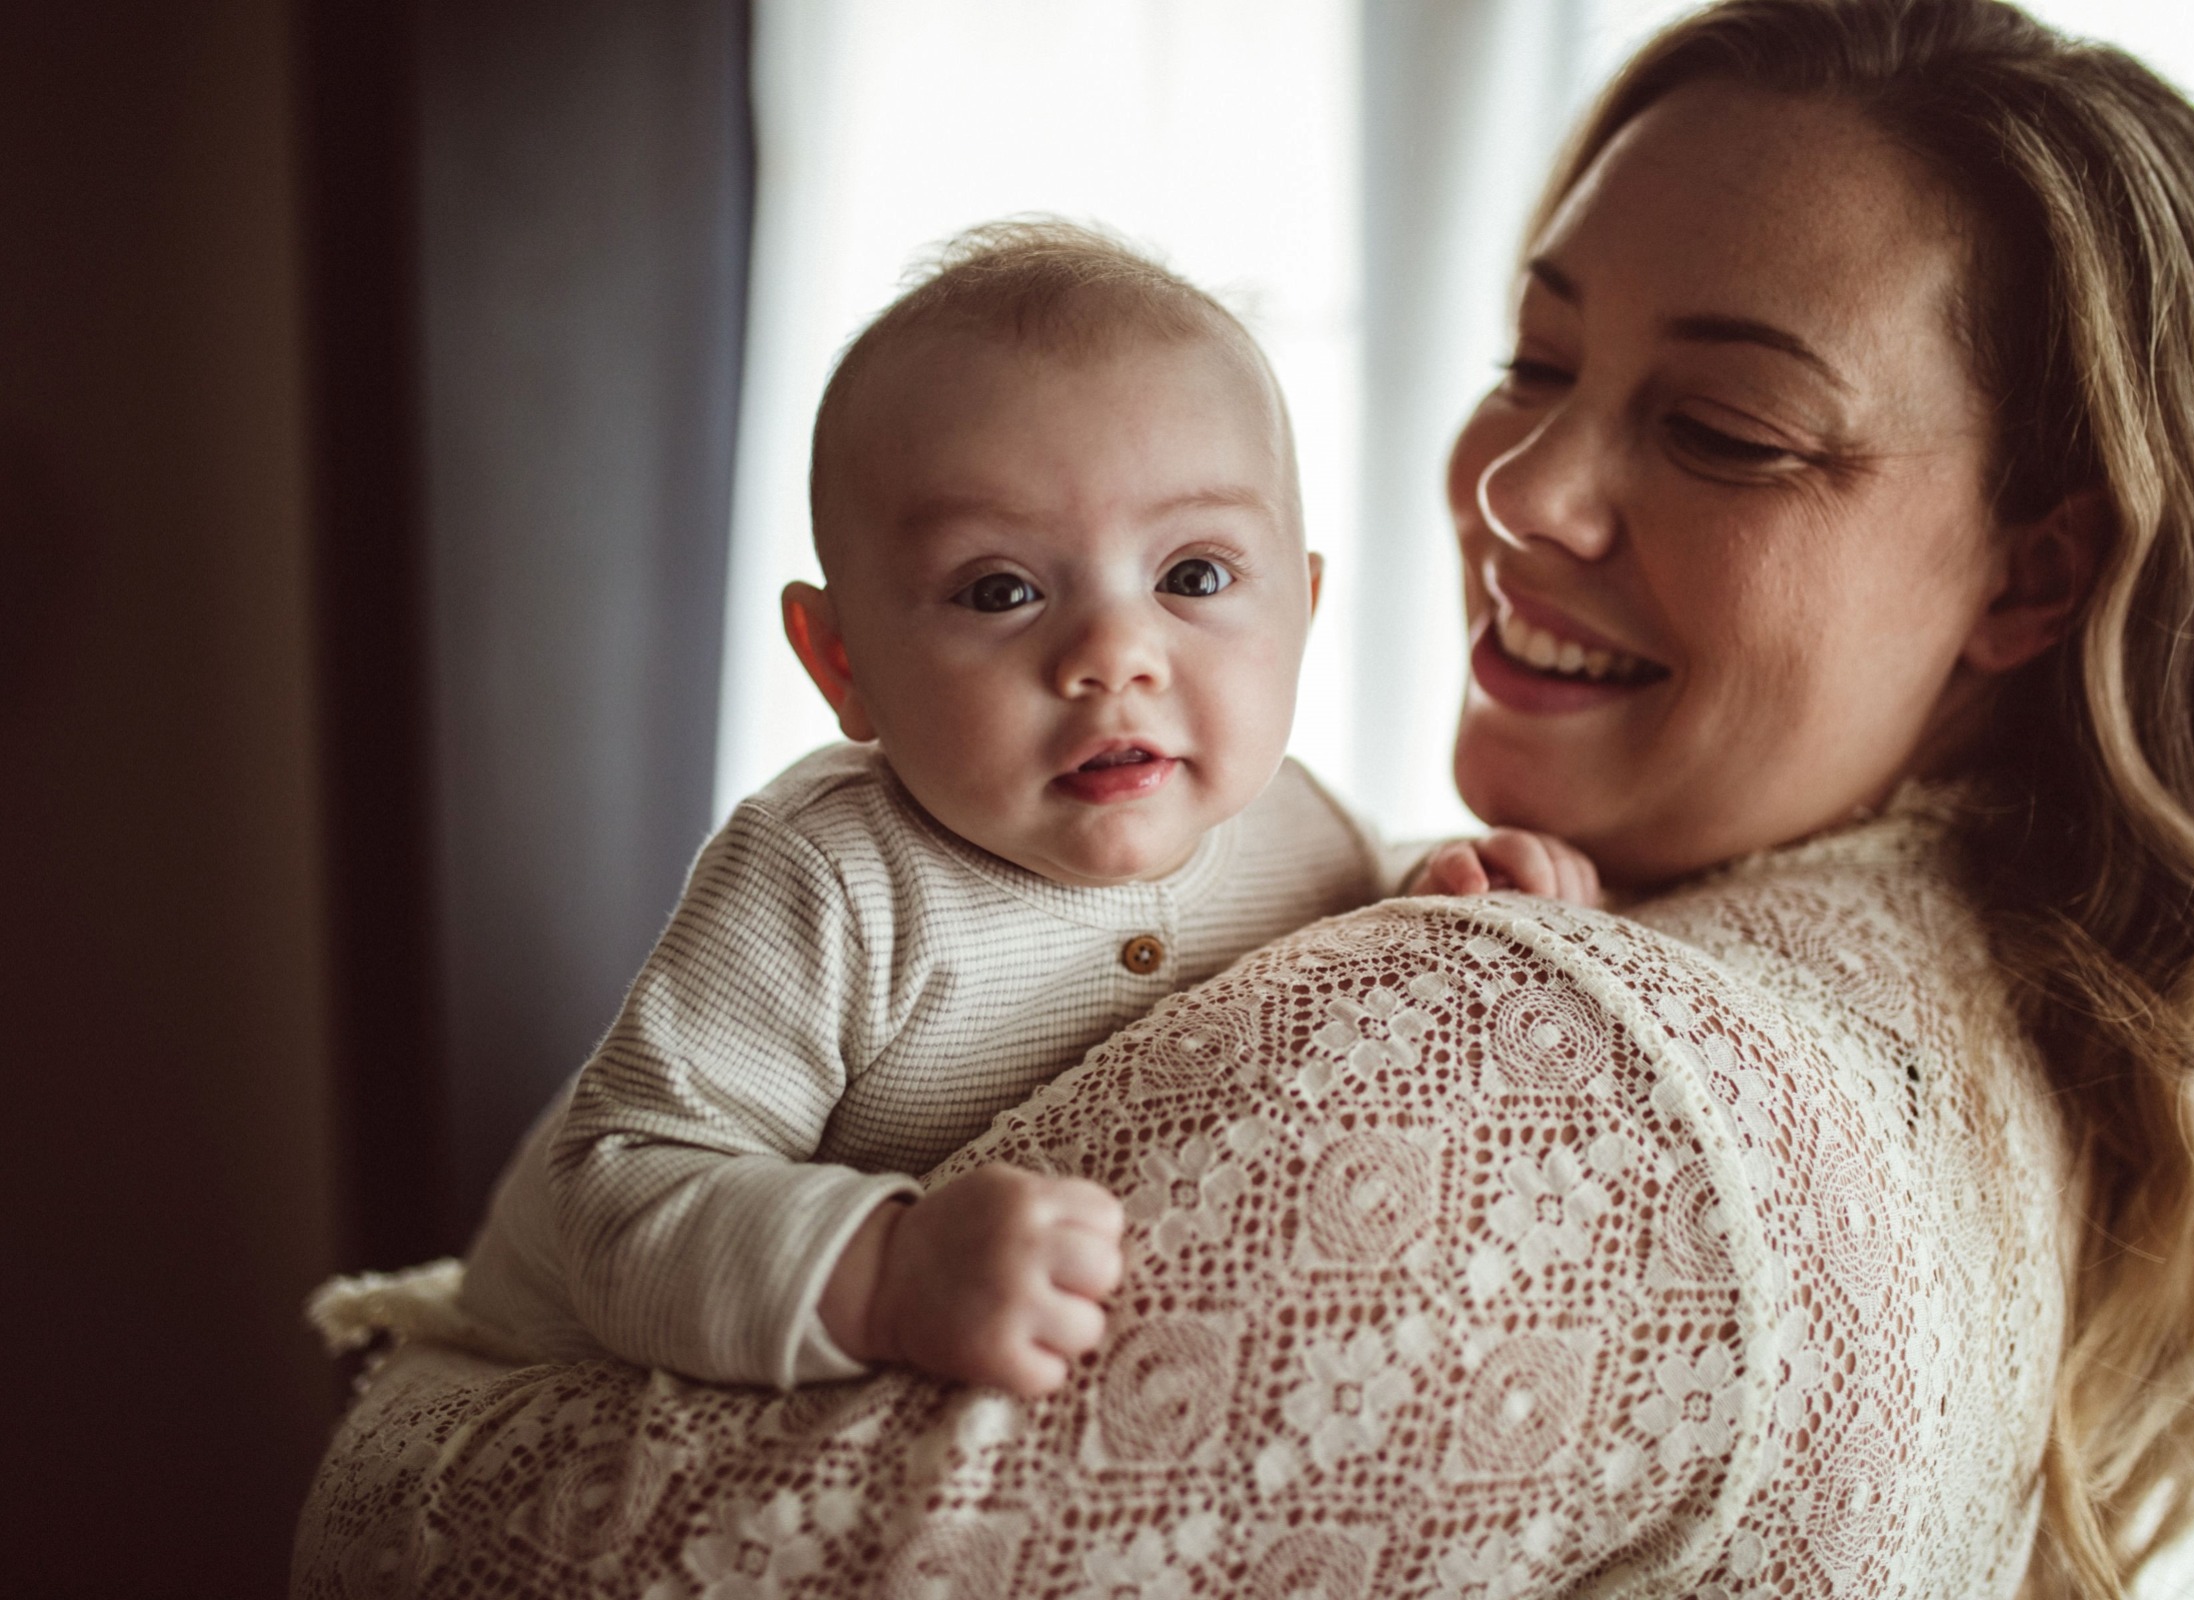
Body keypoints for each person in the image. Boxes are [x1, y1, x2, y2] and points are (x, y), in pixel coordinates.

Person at [292, 2, 2194, 1596]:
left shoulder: (1530, 1078)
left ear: (2033, 570)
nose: (1518, 487)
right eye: (1536, 358)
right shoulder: (1938, 1004)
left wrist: (385, 1450)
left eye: (1731, 430)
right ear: (839, 650)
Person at [308, 220, 1595, 1401]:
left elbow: (1369, 900)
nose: (1114, 654)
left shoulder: (1295, 822)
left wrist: (1464, 885)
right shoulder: (826, 881)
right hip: (549, 1368)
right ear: (841, 662)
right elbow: (620, 1194)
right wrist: (888, 1272)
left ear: (1304, 612)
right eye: (999, 591)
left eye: (1193, 574)